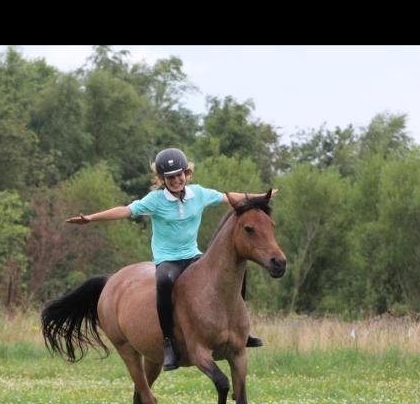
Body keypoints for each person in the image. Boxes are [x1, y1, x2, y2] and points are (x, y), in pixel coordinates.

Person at [66, 148, 271, 371]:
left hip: (193, 255)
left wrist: (263, 196)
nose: (176, 180)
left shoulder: (198, 194)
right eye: (170, 177)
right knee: (164, 283)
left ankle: (241, 331)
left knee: (233, 272)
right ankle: (168, 343)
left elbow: (228, 197)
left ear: (187, 173)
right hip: (169, 260)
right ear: (162, 179)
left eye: (179, 175)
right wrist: (91, 218)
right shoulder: (155, 201)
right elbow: (125, 211)